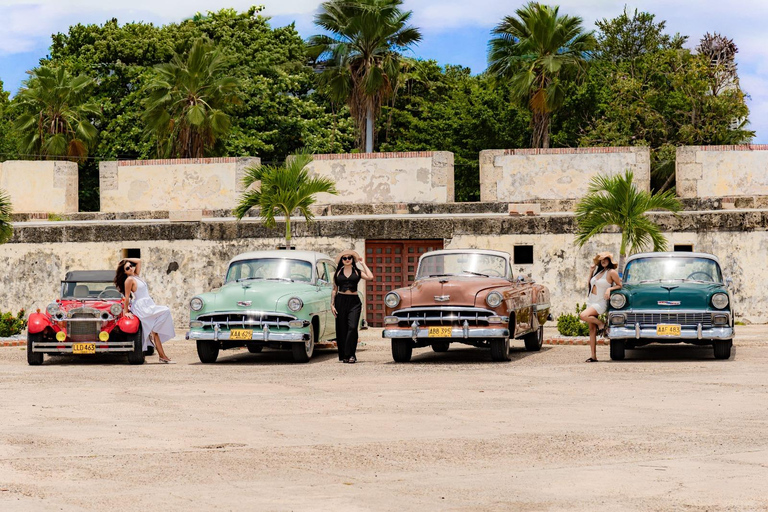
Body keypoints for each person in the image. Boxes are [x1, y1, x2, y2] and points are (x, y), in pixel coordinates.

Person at [114, 258, 176, 364]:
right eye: (127, 268)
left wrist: (125, 259)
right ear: (124, 272)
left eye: (131, 266)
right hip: (141, 307)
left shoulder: (136, 275)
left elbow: (139, 260)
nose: (131, 268)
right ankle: (157, 344)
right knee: (165, 310)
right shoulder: (129, 280)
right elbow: (127, 297)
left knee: (155, 331)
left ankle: (162, 356)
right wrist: (126, 312)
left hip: (148, 303)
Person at [332, 250, 373, 363]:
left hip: (354, 302)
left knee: (353, 327)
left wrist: (363, 263)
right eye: (344, 258)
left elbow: (370, 277)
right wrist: (332, 305)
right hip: (340, 300)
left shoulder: (357, 271)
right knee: (342, 329)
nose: (347, 260)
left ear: (352, 259)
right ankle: (346, 355)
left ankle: (351, 354)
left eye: (349, 257)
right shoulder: (337, 272)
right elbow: (334, 289)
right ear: (342, 260)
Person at [579, 252, 622, 363]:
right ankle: (593, 356)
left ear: (609, 261)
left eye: (605, 259)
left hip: (600, 302)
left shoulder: (611, 272)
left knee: (583, 315)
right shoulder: (599, 272)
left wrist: (609, 289)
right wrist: (591, 272)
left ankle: (601, 324)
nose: (603, 261)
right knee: (591, 329)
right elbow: (590, 284)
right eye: (601, 259)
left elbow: (619, 285)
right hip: (591, 301)